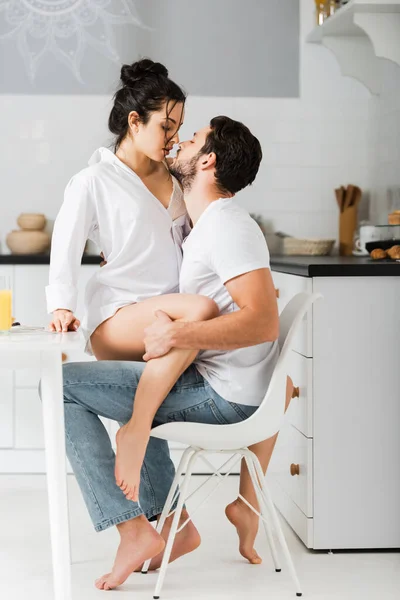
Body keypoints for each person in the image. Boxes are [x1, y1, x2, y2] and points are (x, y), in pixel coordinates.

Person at [61, 115, 283, 591]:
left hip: (220, 397)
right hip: (230, 388)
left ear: (208, 160)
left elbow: (264, 322)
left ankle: (133, 529)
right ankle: (175, 525)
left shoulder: (227, 226)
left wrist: (180, 335)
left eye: (193, 137)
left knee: (58, 387)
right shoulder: (204, 225)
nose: (179, 140)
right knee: (137, 376)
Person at [46, 59, 220, 502]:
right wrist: (60, 305)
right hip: (120, 315)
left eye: (180, 127)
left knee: (148, 397)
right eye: (166, 126)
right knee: (198, 316)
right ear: (134, 120)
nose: (174, 137)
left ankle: (163, 523)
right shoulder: (92, 181)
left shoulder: (177, 176)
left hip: (168, 318)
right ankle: (136, 438)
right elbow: (64, 248)